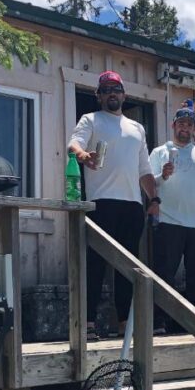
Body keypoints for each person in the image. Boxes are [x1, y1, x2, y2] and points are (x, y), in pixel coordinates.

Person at [68, 71, 160, 339]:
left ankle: (124, 325)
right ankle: (88, 324)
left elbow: (144, 169)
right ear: (98, 95)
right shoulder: (90, 119)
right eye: (106, 89)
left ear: (124, 95)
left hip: (132, 205)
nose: (112, 93)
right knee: (95, 264)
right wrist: (83, 155)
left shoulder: (137, 128)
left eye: (116, 89)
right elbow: (74, 144)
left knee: (127, 267)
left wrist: (154, 199)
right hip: (101, 203)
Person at [149, 102, 195, 333]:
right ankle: (160, 323)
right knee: (163, 275)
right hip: (167, 222)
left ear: (194, 129)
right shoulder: (159, 152)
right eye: (181, 123)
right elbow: (149, 183)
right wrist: (162, 176)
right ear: (173, 126)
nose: (185, 127)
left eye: (189, 124)